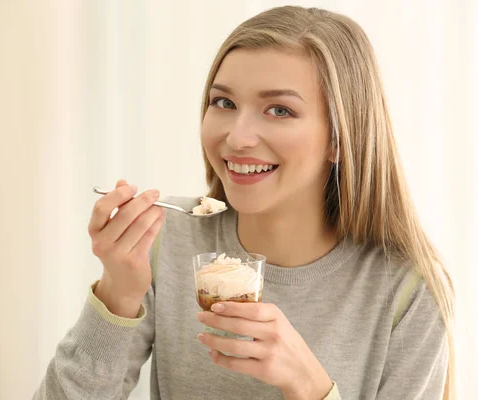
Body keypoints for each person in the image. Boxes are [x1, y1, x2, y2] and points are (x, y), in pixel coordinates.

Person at [34, 5, 455, 400]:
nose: (237, 137)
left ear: (341, 139)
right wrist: (117, 295)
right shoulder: (166, 241)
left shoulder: (408, 292)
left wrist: (311, 386)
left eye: (279, 110)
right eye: (224, 103)